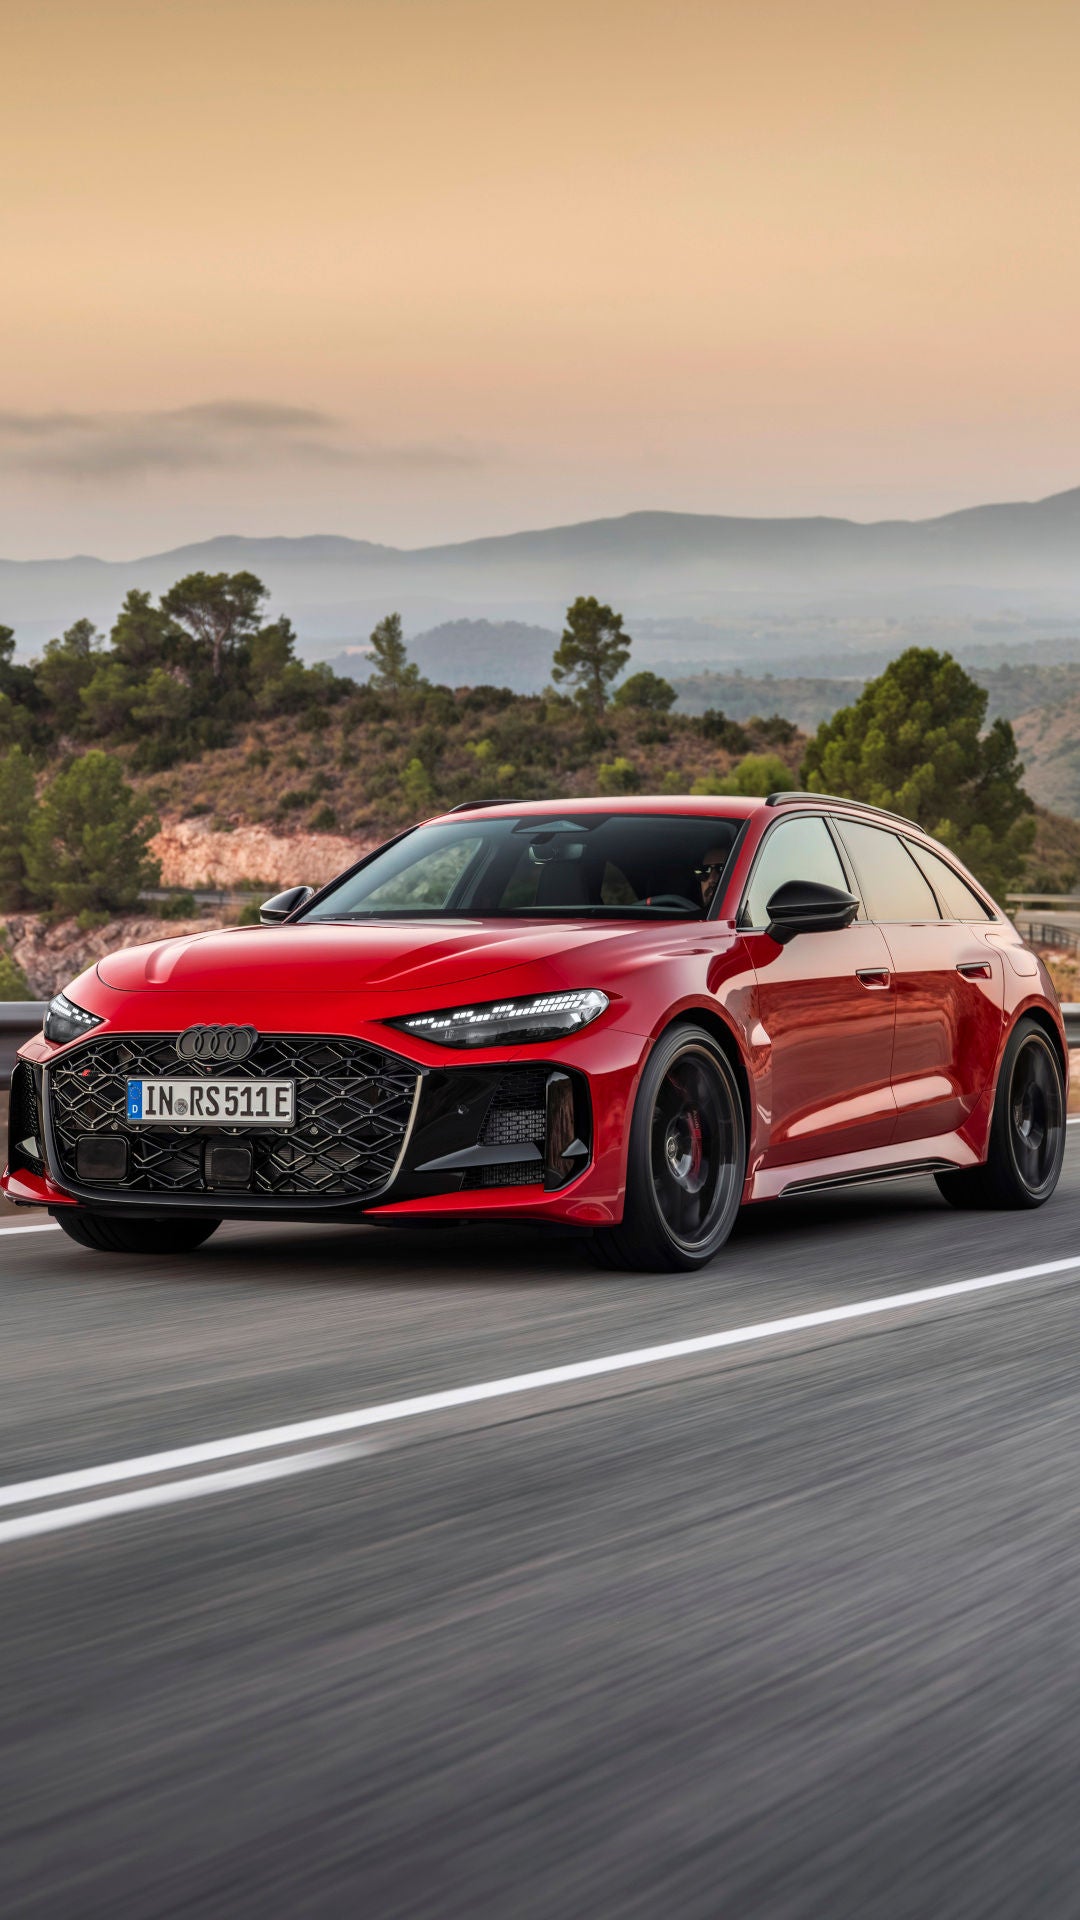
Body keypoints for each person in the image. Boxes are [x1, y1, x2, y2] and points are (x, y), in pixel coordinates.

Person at [696, 846, 728, 913]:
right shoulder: (686, 918)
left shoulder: (744, 920)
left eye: (721, 869)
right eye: (705, 871)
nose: (711, 879)